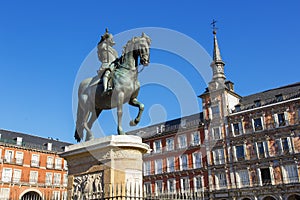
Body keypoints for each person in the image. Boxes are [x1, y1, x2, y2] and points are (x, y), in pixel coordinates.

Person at [97, 28, 118, 93]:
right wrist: (103, 38)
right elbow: (99, 46)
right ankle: (106, 89)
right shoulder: (104, 46)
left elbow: (117, 58)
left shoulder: (114, 51)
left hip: (114, 65)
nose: (111, 40)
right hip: (106, 64)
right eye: (110, 39)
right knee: (107, 73)